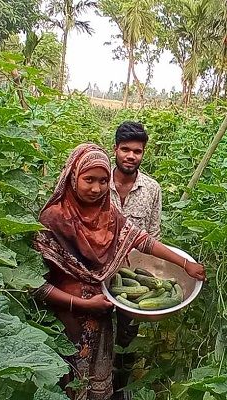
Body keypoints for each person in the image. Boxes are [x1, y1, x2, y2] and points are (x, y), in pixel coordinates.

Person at [32, 143, 205, 400]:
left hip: (101, 312)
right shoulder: (53, 219)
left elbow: (141, 240)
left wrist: (184, 264)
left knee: (95, 381)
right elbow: (35, 284)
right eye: (88, 179)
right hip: (65, 320)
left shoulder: (108, 214)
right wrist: (81, 303)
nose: (96, 188)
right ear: (72, 176)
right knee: (65, 383)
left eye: (103, 181)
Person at [109, 122, 162, 399]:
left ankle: (121, 388)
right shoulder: (97, 181)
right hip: (98, 273)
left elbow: (152, 235)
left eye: (137, 151)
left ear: (143, 153)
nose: (131, 156)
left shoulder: (152, 189)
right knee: (99, 332)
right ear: (115, 149)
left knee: (127, 337)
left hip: (131, 276)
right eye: (125, 149)